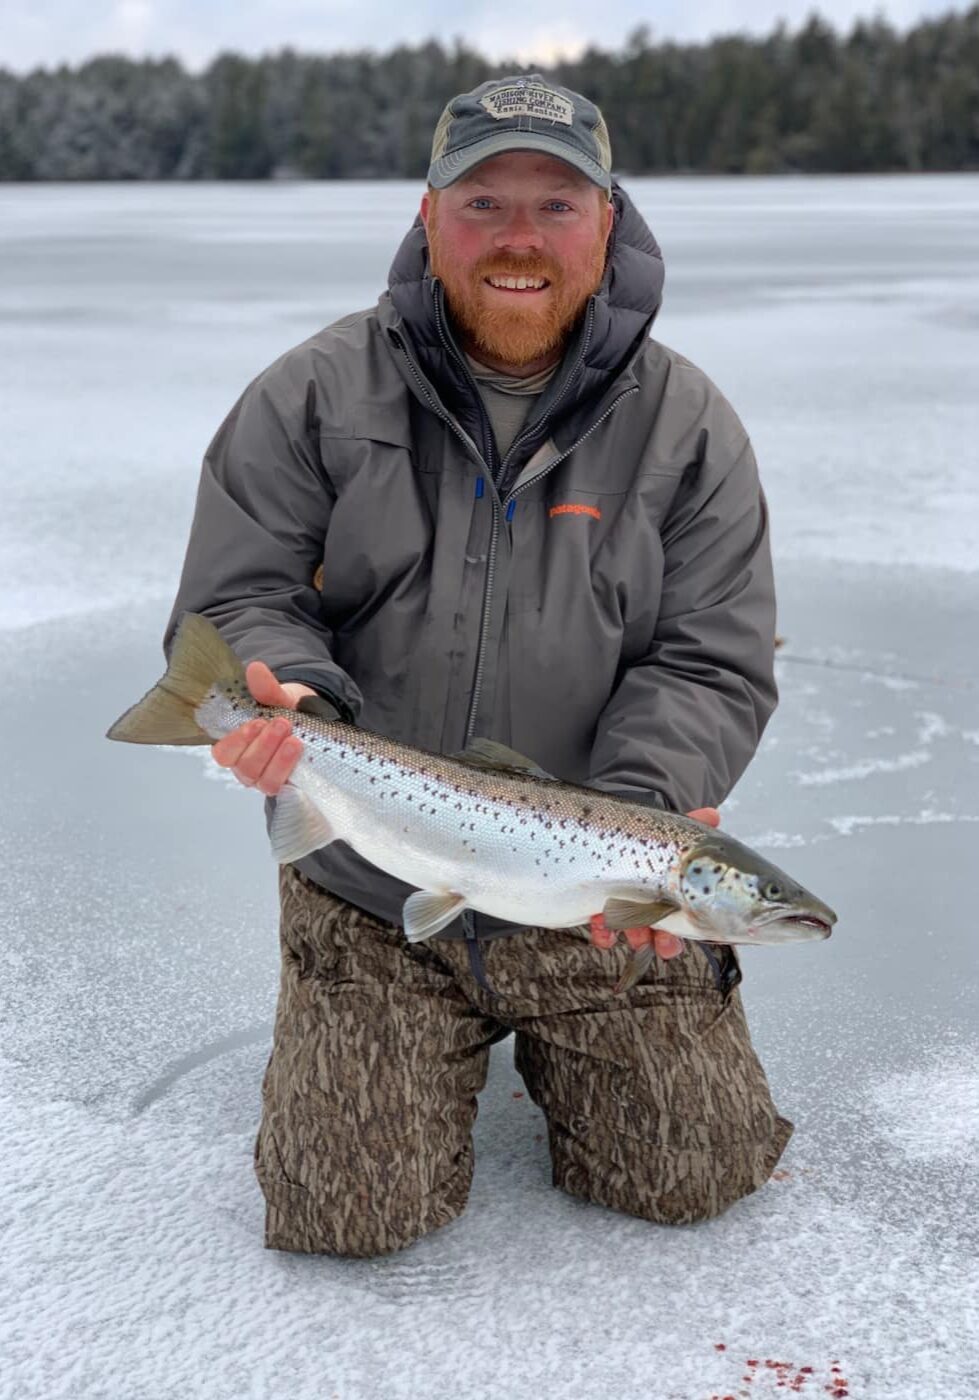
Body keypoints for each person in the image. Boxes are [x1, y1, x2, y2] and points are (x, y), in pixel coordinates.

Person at [165, 74, 792, 1257]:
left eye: (556, 205)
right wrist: (290, 694)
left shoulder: (687, 424)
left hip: (594, 904)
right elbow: (239, 595)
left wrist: (644, 819)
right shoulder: (314, 393)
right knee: (346, 1214)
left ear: (608, 220)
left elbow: (711, 658)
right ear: (427, 214)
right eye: (484, 201)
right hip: (370, 878)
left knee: (693, 1171)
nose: (519, 237)